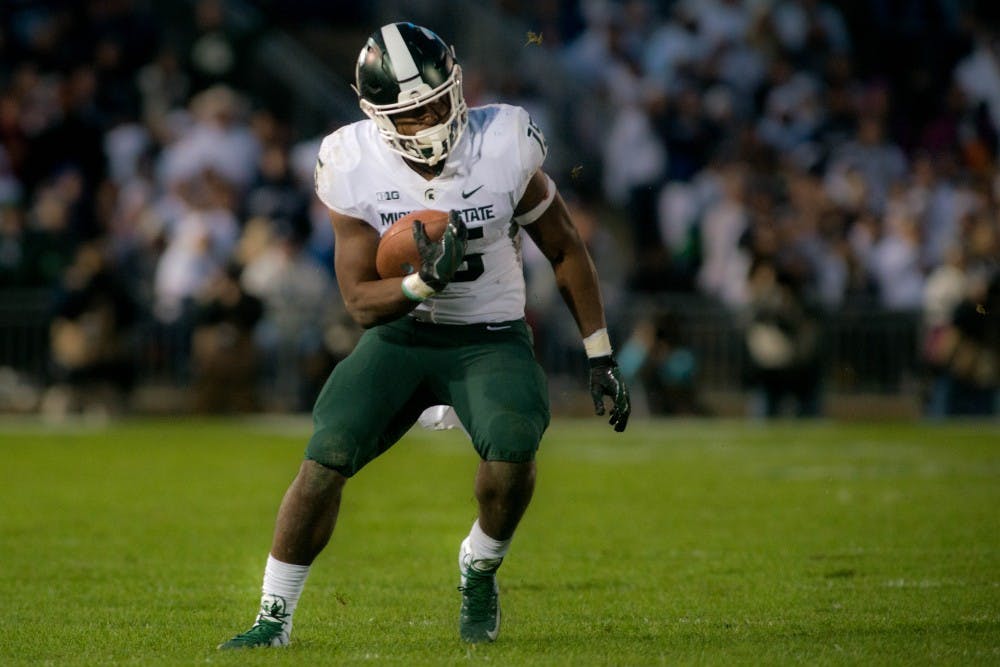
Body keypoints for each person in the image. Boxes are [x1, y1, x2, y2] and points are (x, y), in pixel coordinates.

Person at [219, 22, 630, 649]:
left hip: (488, 333)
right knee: (326, 456)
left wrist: (600, 355)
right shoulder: (352, 161)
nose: (434, 116)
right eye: (413, 112)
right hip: (401, 336)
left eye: (439, 99)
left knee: (514, 450)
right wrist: (420, 286)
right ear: (376, 114)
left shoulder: (502, 141)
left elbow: (566, 249)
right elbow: (359, 300)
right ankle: (273, 618)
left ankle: (480, 566)